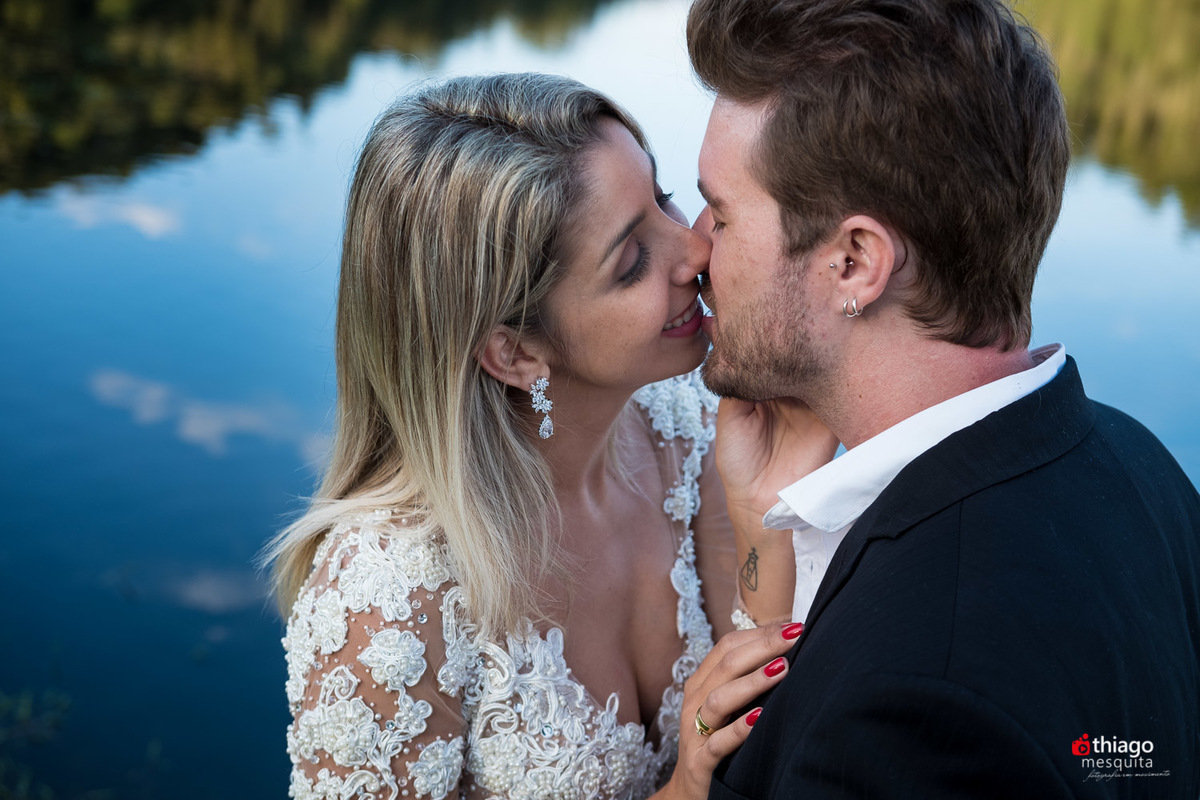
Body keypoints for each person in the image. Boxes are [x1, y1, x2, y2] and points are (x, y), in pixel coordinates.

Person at [263, 73, 832, 800]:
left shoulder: (684, 424)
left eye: (660, 197)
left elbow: (759, 704)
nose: (693, 253)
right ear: (515, 352)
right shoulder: (387, 603)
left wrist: (765, 515)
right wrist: (685, 790)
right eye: (630, 263)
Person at [684, 0, 1200, 795]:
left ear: (855, 262)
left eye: (720, 214)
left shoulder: (910, 711)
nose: (693, 250)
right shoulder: (1138, 464)